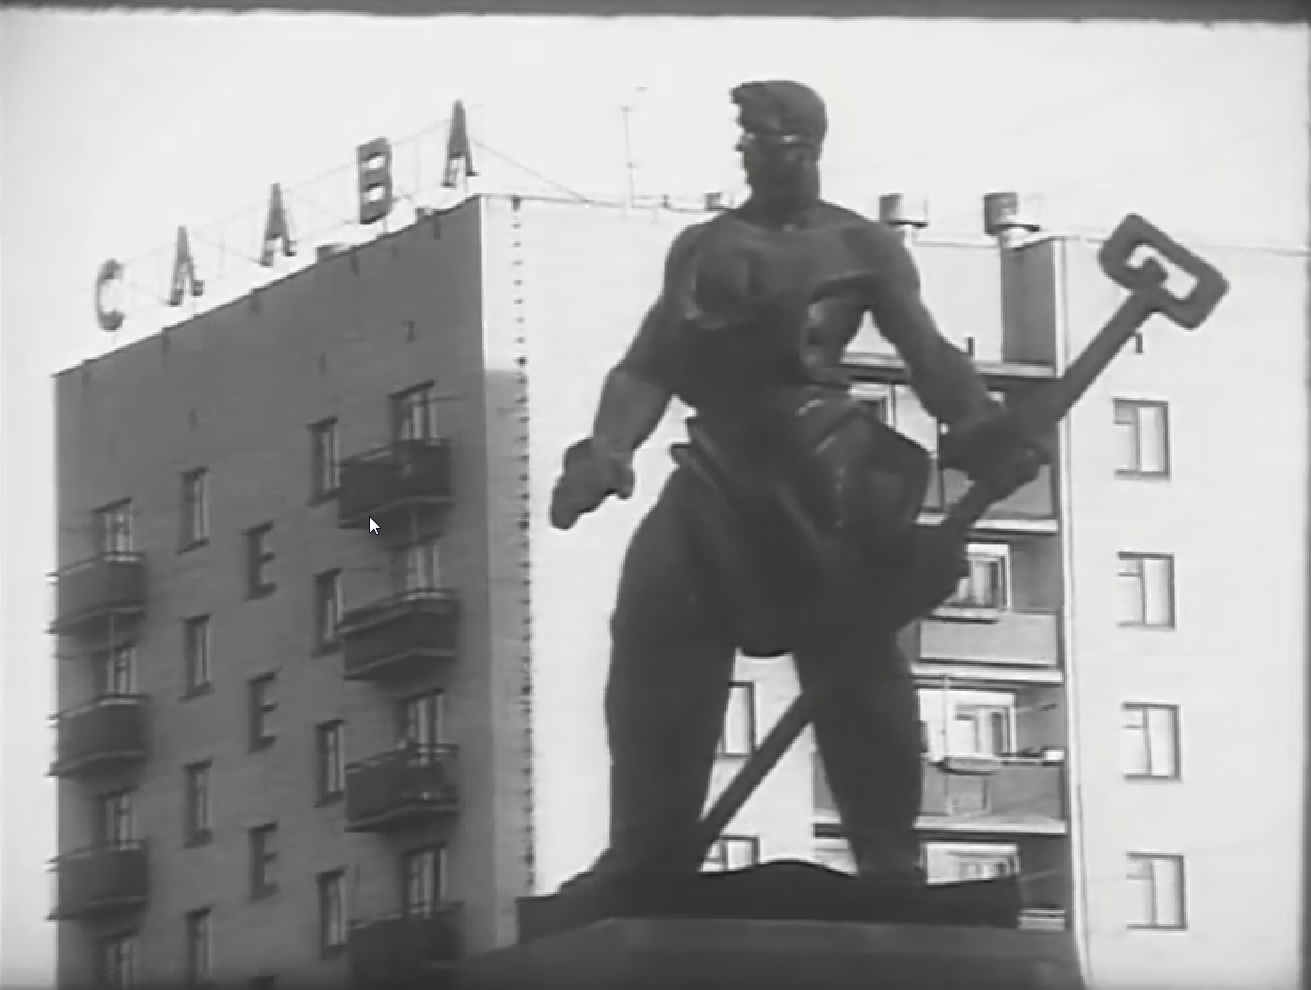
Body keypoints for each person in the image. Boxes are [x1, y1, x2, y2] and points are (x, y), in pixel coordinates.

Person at [549, 80, 1044, 895]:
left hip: (825, 468)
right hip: (715, 462)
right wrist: (605, 449)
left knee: (851, 657)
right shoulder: (704, 248)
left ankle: (887, 856)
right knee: (652, 629)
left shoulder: (861, 247)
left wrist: (976, 424)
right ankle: (645, 850)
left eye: (768, 137)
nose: (751, 150)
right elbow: (647, 364)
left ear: (808, 147)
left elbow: (923, 350)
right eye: (744, 136)